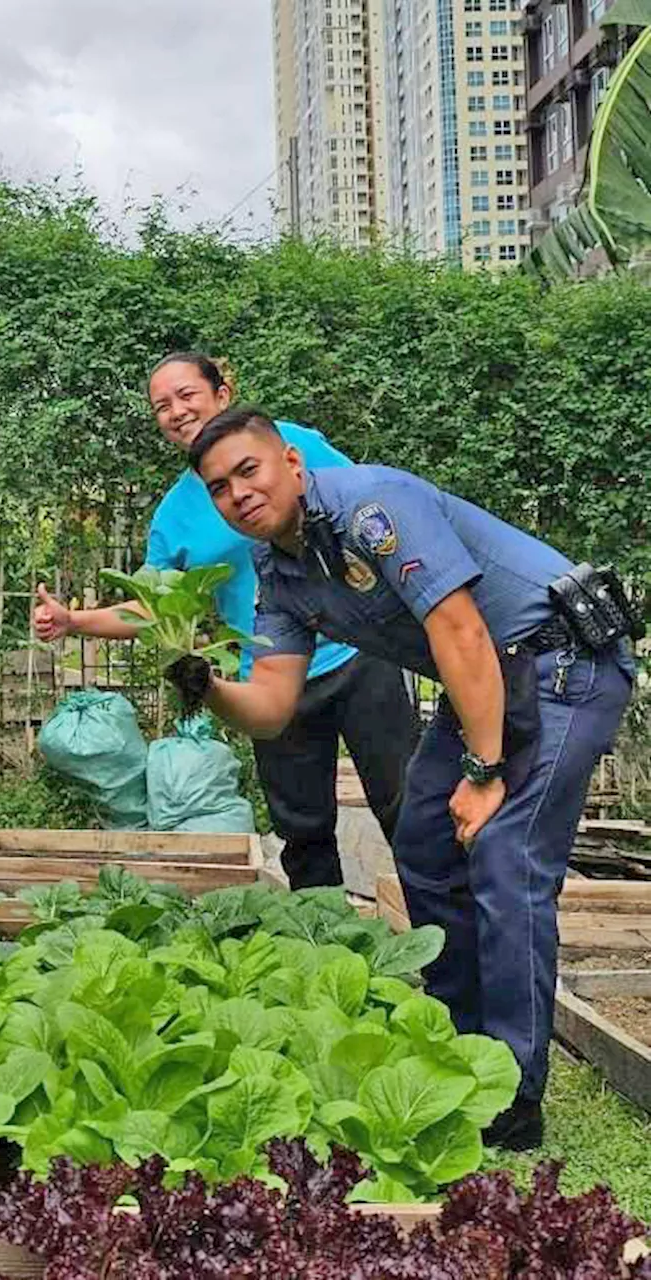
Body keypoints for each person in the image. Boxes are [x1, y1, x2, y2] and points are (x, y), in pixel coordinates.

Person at [183, 405, 636, 1150]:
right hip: (488, 677)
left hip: (563, 661)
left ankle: (513, 1100)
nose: (238, 493)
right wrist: (204, 686)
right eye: (219, 487)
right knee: (423, 844)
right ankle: (464, 1050)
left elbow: (458, 629)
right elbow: (270, 706)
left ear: (292, 465)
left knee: (505, 854)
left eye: (249, 470)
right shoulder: (280, 568)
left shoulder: (372, 506)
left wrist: (485, 771)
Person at [33, 353, 418, 887]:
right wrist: (74, 620)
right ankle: (329, 948)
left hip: (357, 653)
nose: (175, 412)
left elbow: (366, 507)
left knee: (407, 807)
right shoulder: (176, 513)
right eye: (161, 406)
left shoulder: (289, 443)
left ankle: (447, 942)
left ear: (222, 392)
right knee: (302, 828)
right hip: (270, 677)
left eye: (186, 395)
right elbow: (153, 604)